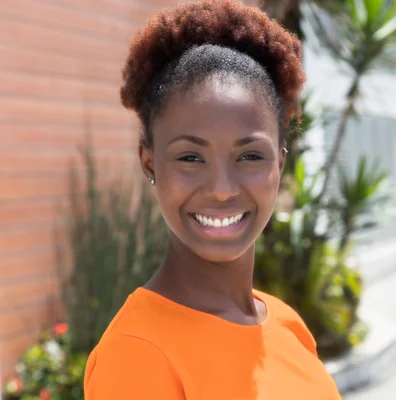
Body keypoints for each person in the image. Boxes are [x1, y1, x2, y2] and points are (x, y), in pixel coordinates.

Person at [83, 1, 342, 399]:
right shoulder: (137, 354)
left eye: (250, 156)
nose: (222, 188)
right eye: (191, 157)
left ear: (280, 165)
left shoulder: (288, 325)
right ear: (150, 163)